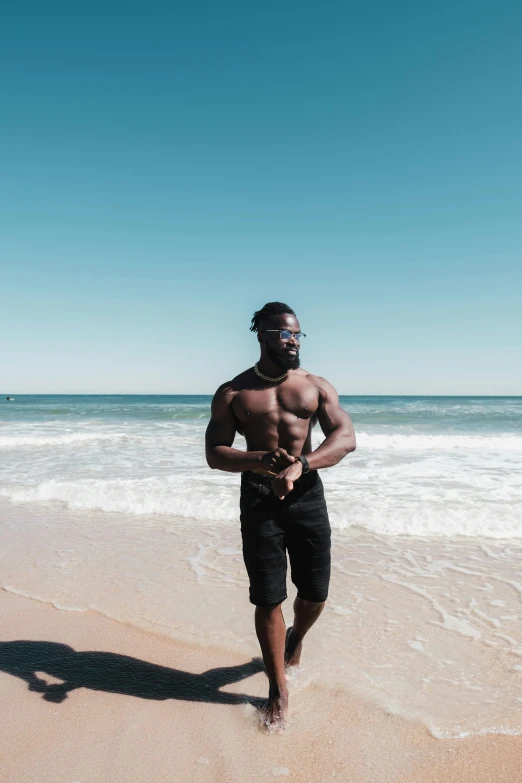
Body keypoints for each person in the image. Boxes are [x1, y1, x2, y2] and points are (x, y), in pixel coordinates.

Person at [205, 302, 356, 728]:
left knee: (315, 594)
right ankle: (277, 688)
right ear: (262, 335)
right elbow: (215, 453)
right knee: (268, 596)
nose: (292, 340)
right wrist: (258, 459)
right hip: (258, 497)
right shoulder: (234, 392)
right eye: (284, 333)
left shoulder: (315, 385)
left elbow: (345, 438)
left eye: (297, 334)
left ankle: (297, 637)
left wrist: (300, 465)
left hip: (307, 493)